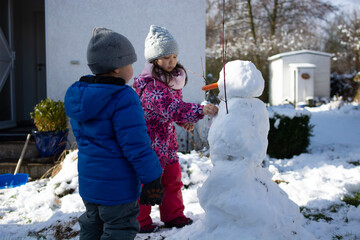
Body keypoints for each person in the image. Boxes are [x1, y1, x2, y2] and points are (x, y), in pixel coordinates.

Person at [64, 27, 164, 240]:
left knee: (92, 227)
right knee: (119, 230)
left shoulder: (79, 96)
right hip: (118, 189)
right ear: (117, 68)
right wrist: (153, 177)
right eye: (130, 64)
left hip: (91, 186)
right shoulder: (123, 97)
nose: (132, 70)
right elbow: (136, 145)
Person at [133, 25, 218, 233]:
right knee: (146, 184)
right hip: (150, 146)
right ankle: (140, 221)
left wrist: (182, 121)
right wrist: (199, 110)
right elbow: (170, 107)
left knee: (173, 181)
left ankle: (173, 215)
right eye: (165, 58)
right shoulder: (150, 86)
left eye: (173, 57)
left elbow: (171, 111)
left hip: (167, 145)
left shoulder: (169, 81)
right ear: (154, 60)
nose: (171, 62)